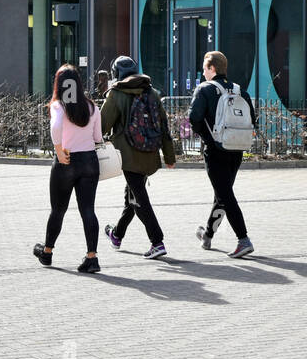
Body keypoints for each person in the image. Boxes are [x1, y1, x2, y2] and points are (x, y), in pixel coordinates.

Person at [101, 55, 175, 259]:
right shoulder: (152, 93)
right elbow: (164, 127)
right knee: (133, 196)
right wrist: (169, 157)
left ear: (116, 74)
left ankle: (157, 241)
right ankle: (117, 234)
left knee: (139, 198)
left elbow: (101, 126)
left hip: (127, 157)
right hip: (150, 153)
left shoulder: (116, 94)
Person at [34, 65, 103, 273]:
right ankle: (92, 257)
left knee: (58, 210)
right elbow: (98, 138)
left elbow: (56, 127)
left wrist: (58, 149)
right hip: (90, 161)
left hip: (67, 161)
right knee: (88, 210)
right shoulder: (92, 107)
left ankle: (47, 252)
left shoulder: (58, 105)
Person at [189, 51, 255, 258]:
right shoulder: (239, 91)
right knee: (223, 193)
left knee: (225, 195)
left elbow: (194, 118)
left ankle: (243, 239)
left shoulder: (205, 89)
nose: (203, 71)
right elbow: (252, 118)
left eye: (204, 68)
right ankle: (207, 235)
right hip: (236, 149)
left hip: (216, 150)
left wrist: (207, 137)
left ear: (212, 69)